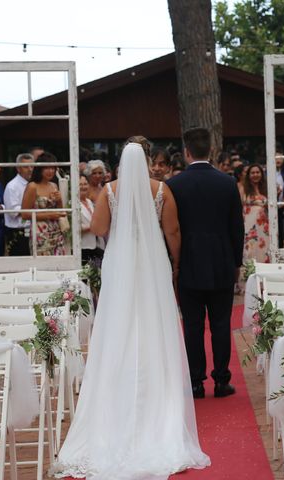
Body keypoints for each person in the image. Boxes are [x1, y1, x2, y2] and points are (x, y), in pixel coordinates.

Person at [53, 142, 210, 478]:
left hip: (121, 264)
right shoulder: (162, 190)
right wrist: (177, 260)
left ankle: (115, 396)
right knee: (154, 325)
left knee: (117, 325)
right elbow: (172, 231)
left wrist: (120, 223)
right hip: (152, 264)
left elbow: (96, 229)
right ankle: (159, 399)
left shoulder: (108, 190)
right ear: (149, 163)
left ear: (120, 165)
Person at [167, 127, 244, 399]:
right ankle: (222, 380)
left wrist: (173, 263)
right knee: (222, 323)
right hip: (222, 261)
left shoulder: (174, 186)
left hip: (188, 262)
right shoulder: (227, 183)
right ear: (210, 150)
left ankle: (196, 381)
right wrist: (237, 262)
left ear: (187, 152)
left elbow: (171, 229)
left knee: (193, 325)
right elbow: (237, 228)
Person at [21, 152, 66, 256]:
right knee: (43, 265)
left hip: (56, 232)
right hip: (40, 233)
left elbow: (62, 213)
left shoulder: (54, 185)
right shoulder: (32, 186)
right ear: (39, 168)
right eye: (47, 168)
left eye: (53, 168)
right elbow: (24, 214)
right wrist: (50, 215)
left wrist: (59, 200)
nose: (50, 171)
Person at [4, 153, 34, 256]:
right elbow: (13, 211)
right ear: (18, 168)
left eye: (32, 166)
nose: (30, 169)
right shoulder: (12, 186)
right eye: (26, 167)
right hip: (18, 233)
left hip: (33, 230)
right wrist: (34, 208)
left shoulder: (34, 184)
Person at [241, 164, 269, 263]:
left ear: (261, 174)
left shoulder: (266, 188)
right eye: (253, 173)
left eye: (258, 172)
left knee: (264, 247)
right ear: (248, 175)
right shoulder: (242, 188)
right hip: (248, 223)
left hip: (264, 224)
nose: (255, 175)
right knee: (250, 248)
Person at [79, 174, 104, 265]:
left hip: (95, 244)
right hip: (83, 246)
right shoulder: (72, 204)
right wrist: (92, 226)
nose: (83, 187)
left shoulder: (89, 202)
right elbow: (74, 228)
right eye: (80, 184)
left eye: (85, 184)